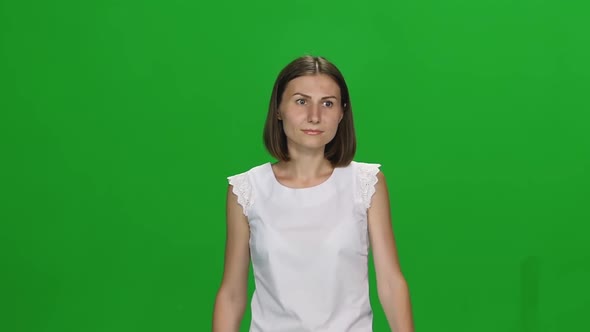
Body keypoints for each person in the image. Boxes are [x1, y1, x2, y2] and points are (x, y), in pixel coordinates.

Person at [212, 55, 414, 332]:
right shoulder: (247, 190)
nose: (314, 117)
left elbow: (391, 283)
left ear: (342, 112)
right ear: (278, 109)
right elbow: (232, 295)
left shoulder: (366, 183)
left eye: (327, 103)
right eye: (301, 101)